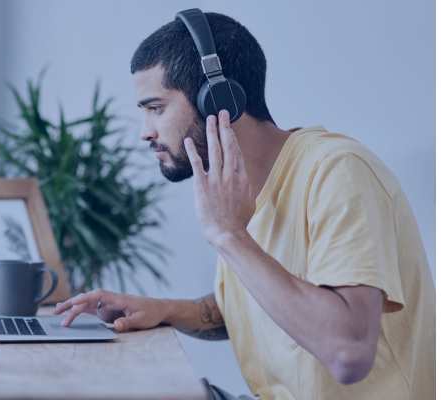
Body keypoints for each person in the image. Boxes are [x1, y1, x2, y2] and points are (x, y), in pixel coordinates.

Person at [53, 10, 434, 400]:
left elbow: (348, 351)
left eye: (156, 108)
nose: (144, 133)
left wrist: (229, 235)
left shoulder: (338, 172)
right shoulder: (238, 190)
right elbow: (257, 300)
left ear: (219, 100)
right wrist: (163, 309)